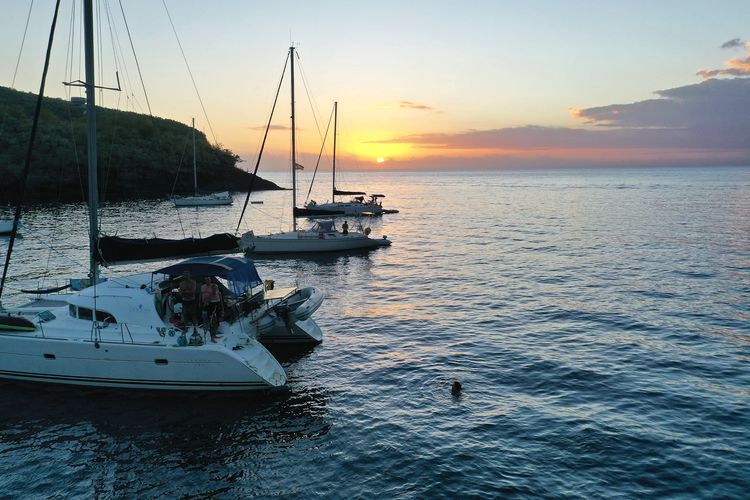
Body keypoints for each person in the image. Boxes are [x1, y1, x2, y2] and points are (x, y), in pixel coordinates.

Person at [201, 277, 223, 343]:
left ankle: (214, 334)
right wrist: (205, 303)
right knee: (212, 321)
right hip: (211, 305)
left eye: (215, 289)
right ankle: (212, 337)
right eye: (213, 289)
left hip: (217, 304)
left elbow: (220, 301)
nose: (214, 290)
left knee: (217, 321)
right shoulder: (209, 293)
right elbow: (208, 299)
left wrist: (222, 309)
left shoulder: (217, 292)